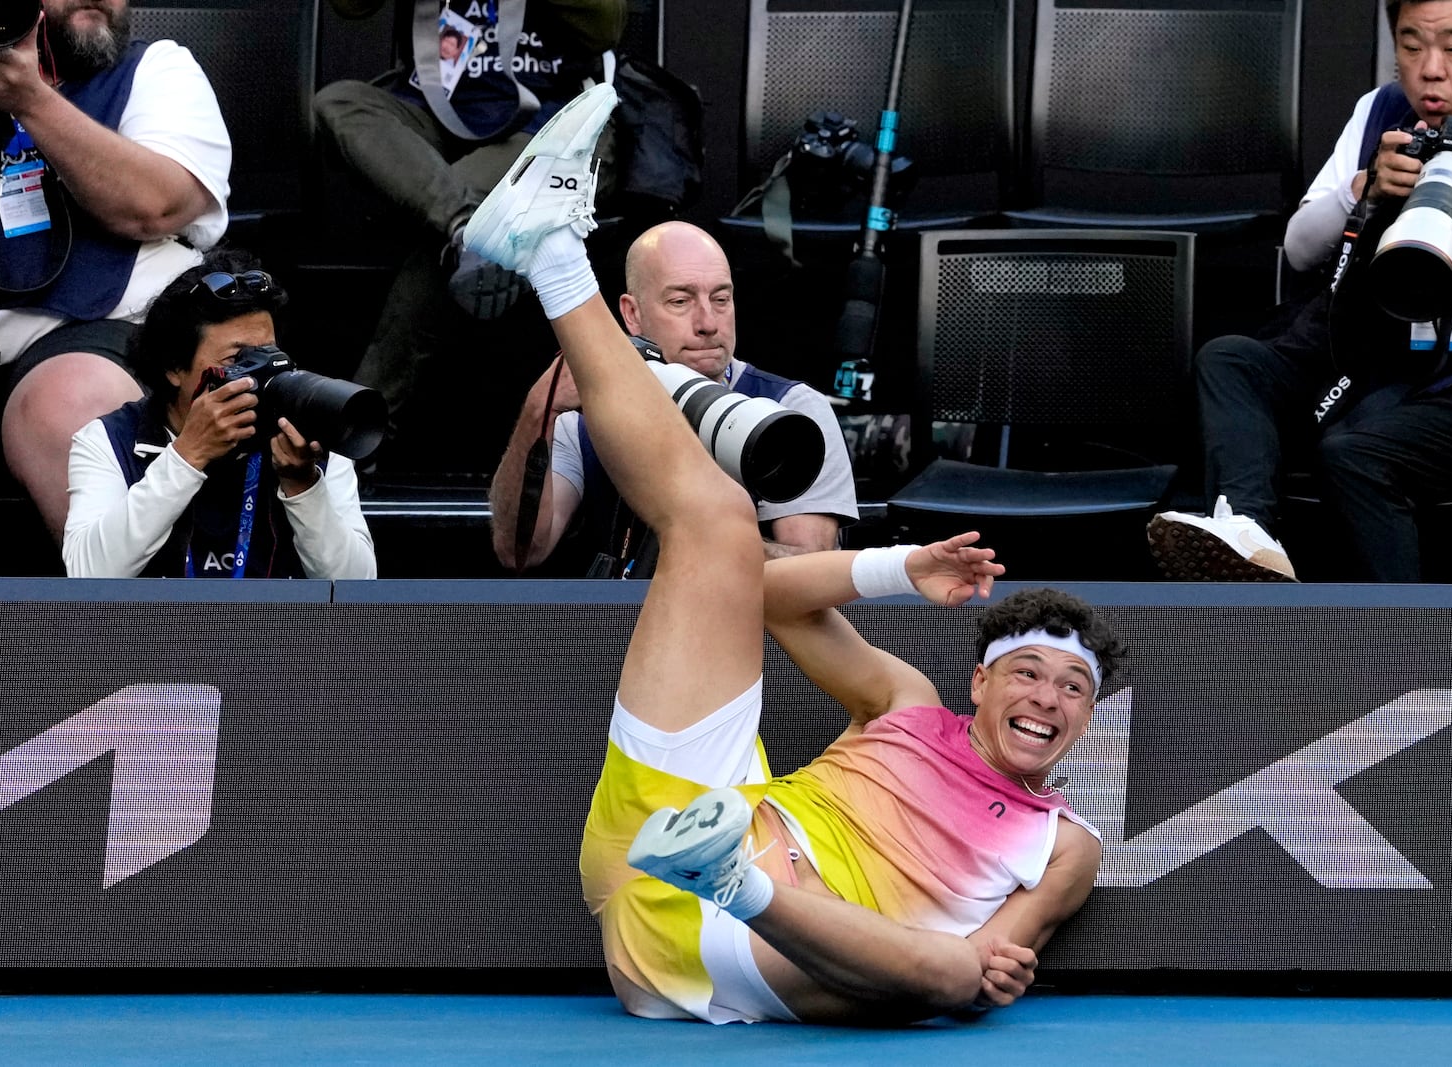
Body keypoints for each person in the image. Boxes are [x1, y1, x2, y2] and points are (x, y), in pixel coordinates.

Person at [463, 83, 1123, 1023]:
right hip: (680, 831)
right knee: (721, 524)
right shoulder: (904, 703)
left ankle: (732, 878)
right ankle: (551, 254)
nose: (1047, 698)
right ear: (976, 682)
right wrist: (903, 565)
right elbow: (764, 595)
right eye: (1029, 671)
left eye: (1072, 688)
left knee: (949, 977)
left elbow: (980, 965)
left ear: (1087, 719)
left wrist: (992, 970)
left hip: (762, 940)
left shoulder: (1068, 844)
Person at [1147, 0, 1452, 582]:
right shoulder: (1379, 114)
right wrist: (1360, 192)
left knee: (1356, 453)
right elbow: (1302, 249)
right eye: (1411, 48)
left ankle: (1396, 632)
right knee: (1230, 360)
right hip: (1361, 367)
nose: (1430, 69)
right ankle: (1248, 537)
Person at [312, 0, 626, 464]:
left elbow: (605, 25)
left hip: (547, 127)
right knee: (337, 101)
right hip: (433, 112)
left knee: (448, 226)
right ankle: (466, 224)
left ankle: (361, 425)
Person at [489, 220, 859, 573]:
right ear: (632, 315)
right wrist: (541, 409)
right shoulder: (584, 420)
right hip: (622, 626)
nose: (708, 323)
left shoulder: (792, 409)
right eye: (680, 302)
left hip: (747, 631)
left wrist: (695, 530)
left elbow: (811, 568)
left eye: (721, 299)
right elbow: (520, 551)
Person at [0, 0, 232, 541]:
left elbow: (156, 205)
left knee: (67, 400)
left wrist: (28, 98)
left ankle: (139, 620)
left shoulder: (157, 70)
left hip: (104, 334)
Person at [61, 250, 376, 579]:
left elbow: (356, 590)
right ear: (174, 366)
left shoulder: (310, 438)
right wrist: (186, 457)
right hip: (156, 630)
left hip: (277, 630)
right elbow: (89, 576)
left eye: (267, 353)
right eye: (239, 358)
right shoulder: (108, 441)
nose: (263, 374)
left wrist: (304, 486)